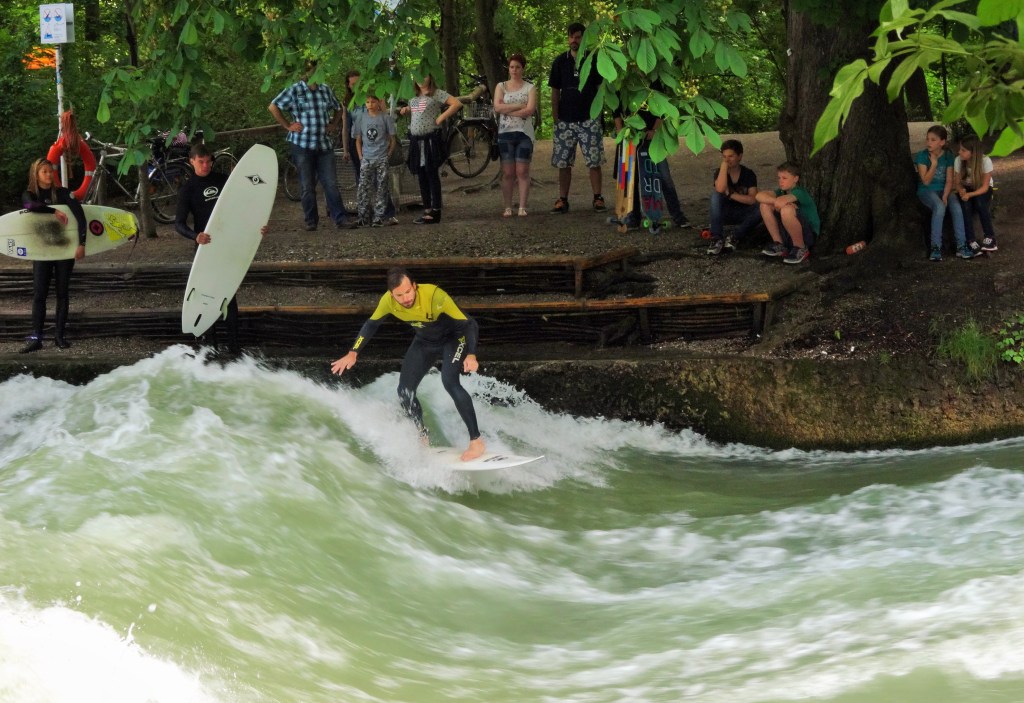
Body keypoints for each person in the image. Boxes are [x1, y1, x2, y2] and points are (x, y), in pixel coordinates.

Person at [330, 267, 486, 462]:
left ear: (414, 286)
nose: (405, 299)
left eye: (408, 292)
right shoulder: (387, 301)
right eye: (399, 295)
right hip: (424, 341)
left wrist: (471, 355)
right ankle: (422, 435)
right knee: (404, 391)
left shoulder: (434, 296)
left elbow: (469, 324)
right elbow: (371, 324)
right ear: (391, 294)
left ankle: (476, 441)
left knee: (449, 381)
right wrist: (353, 352)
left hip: (454, 338)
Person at [175, 143, 267, 354]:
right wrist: (195, 236)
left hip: (228, 246)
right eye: (201, 162)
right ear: (192, 162)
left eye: (209, 161)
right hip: (205, 250)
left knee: (228, 296)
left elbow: (244, 207)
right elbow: (178, 224)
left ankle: (234, 348)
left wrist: (257, 226)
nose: (206, 166)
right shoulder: (188, 189)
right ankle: (210, 349)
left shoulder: (224, 181)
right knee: (206, 297)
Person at [269, 61, 357, 232]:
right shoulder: (294, 89)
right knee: (307, 185)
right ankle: (311, 220)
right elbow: (273, 107)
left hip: (323, 144)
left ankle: (340, 218)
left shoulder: (325, 89)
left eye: (315, 70)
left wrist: (334, 124)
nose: (312, 74)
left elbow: (338, 108)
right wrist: (287, 125)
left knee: (331, 183)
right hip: (302, 144)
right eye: (309, 71)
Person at [20, 158, 87, 352]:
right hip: (42, 252)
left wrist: (82, 244)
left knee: (62, 293)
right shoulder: (30, 194)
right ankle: (36, 338)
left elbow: (81, 217)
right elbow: (30, 206)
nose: (49, 175)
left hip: (64, 251)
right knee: (39, 295)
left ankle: (59, 336)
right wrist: (53, 211)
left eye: (50, 171)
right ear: (36, 174)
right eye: (44, 172)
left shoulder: (63, 193)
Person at [611, 88, 690, 230]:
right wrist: (621, 132)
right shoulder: (621, 83)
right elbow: (615, 109)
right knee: (630, 179)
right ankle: (633, 218)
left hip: (653, 138)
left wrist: (655, 130)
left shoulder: (653, 81)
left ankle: (678, 216)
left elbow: (663, 108)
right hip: (629, 137)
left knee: (664, 177)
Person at [548, 22, 606, 214]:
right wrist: (556, 117)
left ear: (584, 38)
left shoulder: (594, 60)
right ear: (568, 38)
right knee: (563, 163)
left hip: (589, 119)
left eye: (578, 37)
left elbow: (600, 89)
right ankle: (562, 200)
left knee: (594, 161)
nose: (574, 40)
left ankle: (598, 198)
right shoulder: (559, 62)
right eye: (571, 37)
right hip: (565, 120)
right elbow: (555, 91)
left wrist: (599, 116)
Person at [400, 75, 462, 224]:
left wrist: (441, 118)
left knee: (431, 173)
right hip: (416, 141)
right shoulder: (413, 96)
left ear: (430, 77)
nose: (421, 78)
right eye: (417, 75)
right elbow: (418, 111)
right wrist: (407, 110)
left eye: (424, 75)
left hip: (430, 140)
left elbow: (456, 103)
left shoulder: (436, 93)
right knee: (421, 175)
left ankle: (436, 210)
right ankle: (427, 209)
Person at [915, 124, 971, 262]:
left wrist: (945, 195)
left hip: (944, 189)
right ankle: (935, 248)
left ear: (942, 142)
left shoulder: (948, 156)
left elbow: (949, 180)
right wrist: (934, 164)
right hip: (927, 191)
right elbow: (926, 181)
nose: (929, 142)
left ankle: (961, 245)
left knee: (956, 206)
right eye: (928, 139)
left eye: (933, 140)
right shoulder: (922, 156)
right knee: (939, 207)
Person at [493, 52, 537, 217]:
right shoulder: (501, 86)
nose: (514, 70)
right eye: (512, 67)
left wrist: (508, 109)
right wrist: (519, 106)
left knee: (522, 171)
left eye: (517, 67)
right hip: (505, 134)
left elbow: (530, 110)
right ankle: (507, 207)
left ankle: (522, 207)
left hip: (524, 135)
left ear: (522, 68)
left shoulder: (530, 88)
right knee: (508, 172)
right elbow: (497, 107)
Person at [756, 162, 820, 265]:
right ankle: (779, 244)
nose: (780, 181)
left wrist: (783, 203)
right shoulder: (781, 192)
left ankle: (800, 248)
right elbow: (759, 196)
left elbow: (781, 202)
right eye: (779, 178)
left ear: (795, 179)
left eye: (784, 178)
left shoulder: (800, 192)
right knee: (764, 205)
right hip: (788, 234)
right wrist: (776, 201)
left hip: (807, 235)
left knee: (787, 209)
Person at [707, 139, 761, 255]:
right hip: (725, 212)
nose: (727, 160)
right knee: (715, 196)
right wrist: (723, 167)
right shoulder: (720, 172)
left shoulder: (748, 174)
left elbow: (753, 200)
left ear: (739, 156)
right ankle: (716, 238)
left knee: (761, 206)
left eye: (731, 156)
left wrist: (731, 194)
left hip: (744, 212)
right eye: (724, 156)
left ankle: (735, 236)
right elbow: (720, 189)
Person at [353, 93, 397, 227]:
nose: (370, 105)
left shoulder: (386, 118)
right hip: (366, 158)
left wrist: (388, 155)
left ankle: (379, 217)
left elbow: (392, 139)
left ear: (379, 102)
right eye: (367, 102)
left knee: (382, 187)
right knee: (363, 187)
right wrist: (361, 156)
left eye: (373, 102)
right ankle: (363, 216)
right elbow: (358, 140)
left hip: (381, 157)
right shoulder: (361, 118)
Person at [955, 134, 999, 253]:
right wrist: (961, 190)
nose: (959, 152)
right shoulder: (958, 160)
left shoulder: (985, 161)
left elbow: (985, 187)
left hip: (982, 188)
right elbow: (957, 183)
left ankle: (990, 237)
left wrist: (970, 195)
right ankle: (971, 240)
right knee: (966, 205)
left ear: (973, 152)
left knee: (980, 202)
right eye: (960, 149)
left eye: (963, 150)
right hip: (967, 188)